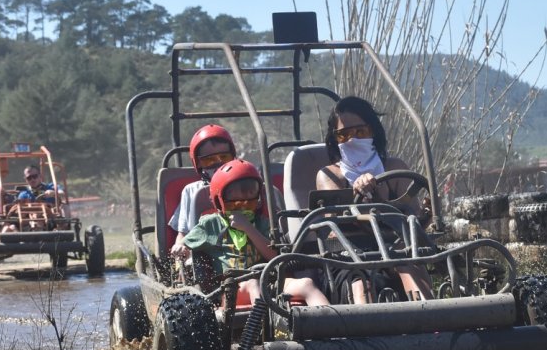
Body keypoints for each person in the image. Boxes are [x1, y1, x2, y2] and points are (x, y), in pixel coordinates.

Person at [315, 95, 431, 303]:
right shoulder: (330, 175)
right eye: (344, 135)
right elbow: (336, 226)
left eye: (361, 132)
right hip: (350, 256)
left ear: (373, 131)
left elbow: (413, 224)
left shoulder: (394, 168)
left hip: (396, 249)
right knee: (361, 282)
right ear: (335, 139)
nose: (353, 140)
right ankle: (366, 330)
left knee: (408, 266)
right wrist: (358, 196)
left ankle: (437, 321)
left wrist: (426, 215)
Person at [184, 159, 328, 307]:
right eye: (235, 203)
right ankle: (264, 328)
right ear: (219, 201)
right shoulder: (211, 224)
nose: (243, 207)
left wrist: (248, 228)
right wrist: (182, 248)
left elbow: (275, 258)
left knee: (307, 284)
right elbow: (187, 244)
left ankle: (335, 326)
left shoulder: (263, 223)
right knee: (254, 284)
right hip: (231, 290)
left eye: (249, 201)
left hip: (269, 282)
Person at [169, 124, 237, 258]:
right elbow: (183, 233)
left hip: (237, 253)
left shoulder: (244, 186)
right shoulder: (191, 191)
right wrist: (180, 248)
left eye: (224, 157)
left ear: (233, 156)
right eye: (209, 160)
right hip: (201, 258)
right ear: (198, 163)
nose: (218, 164)